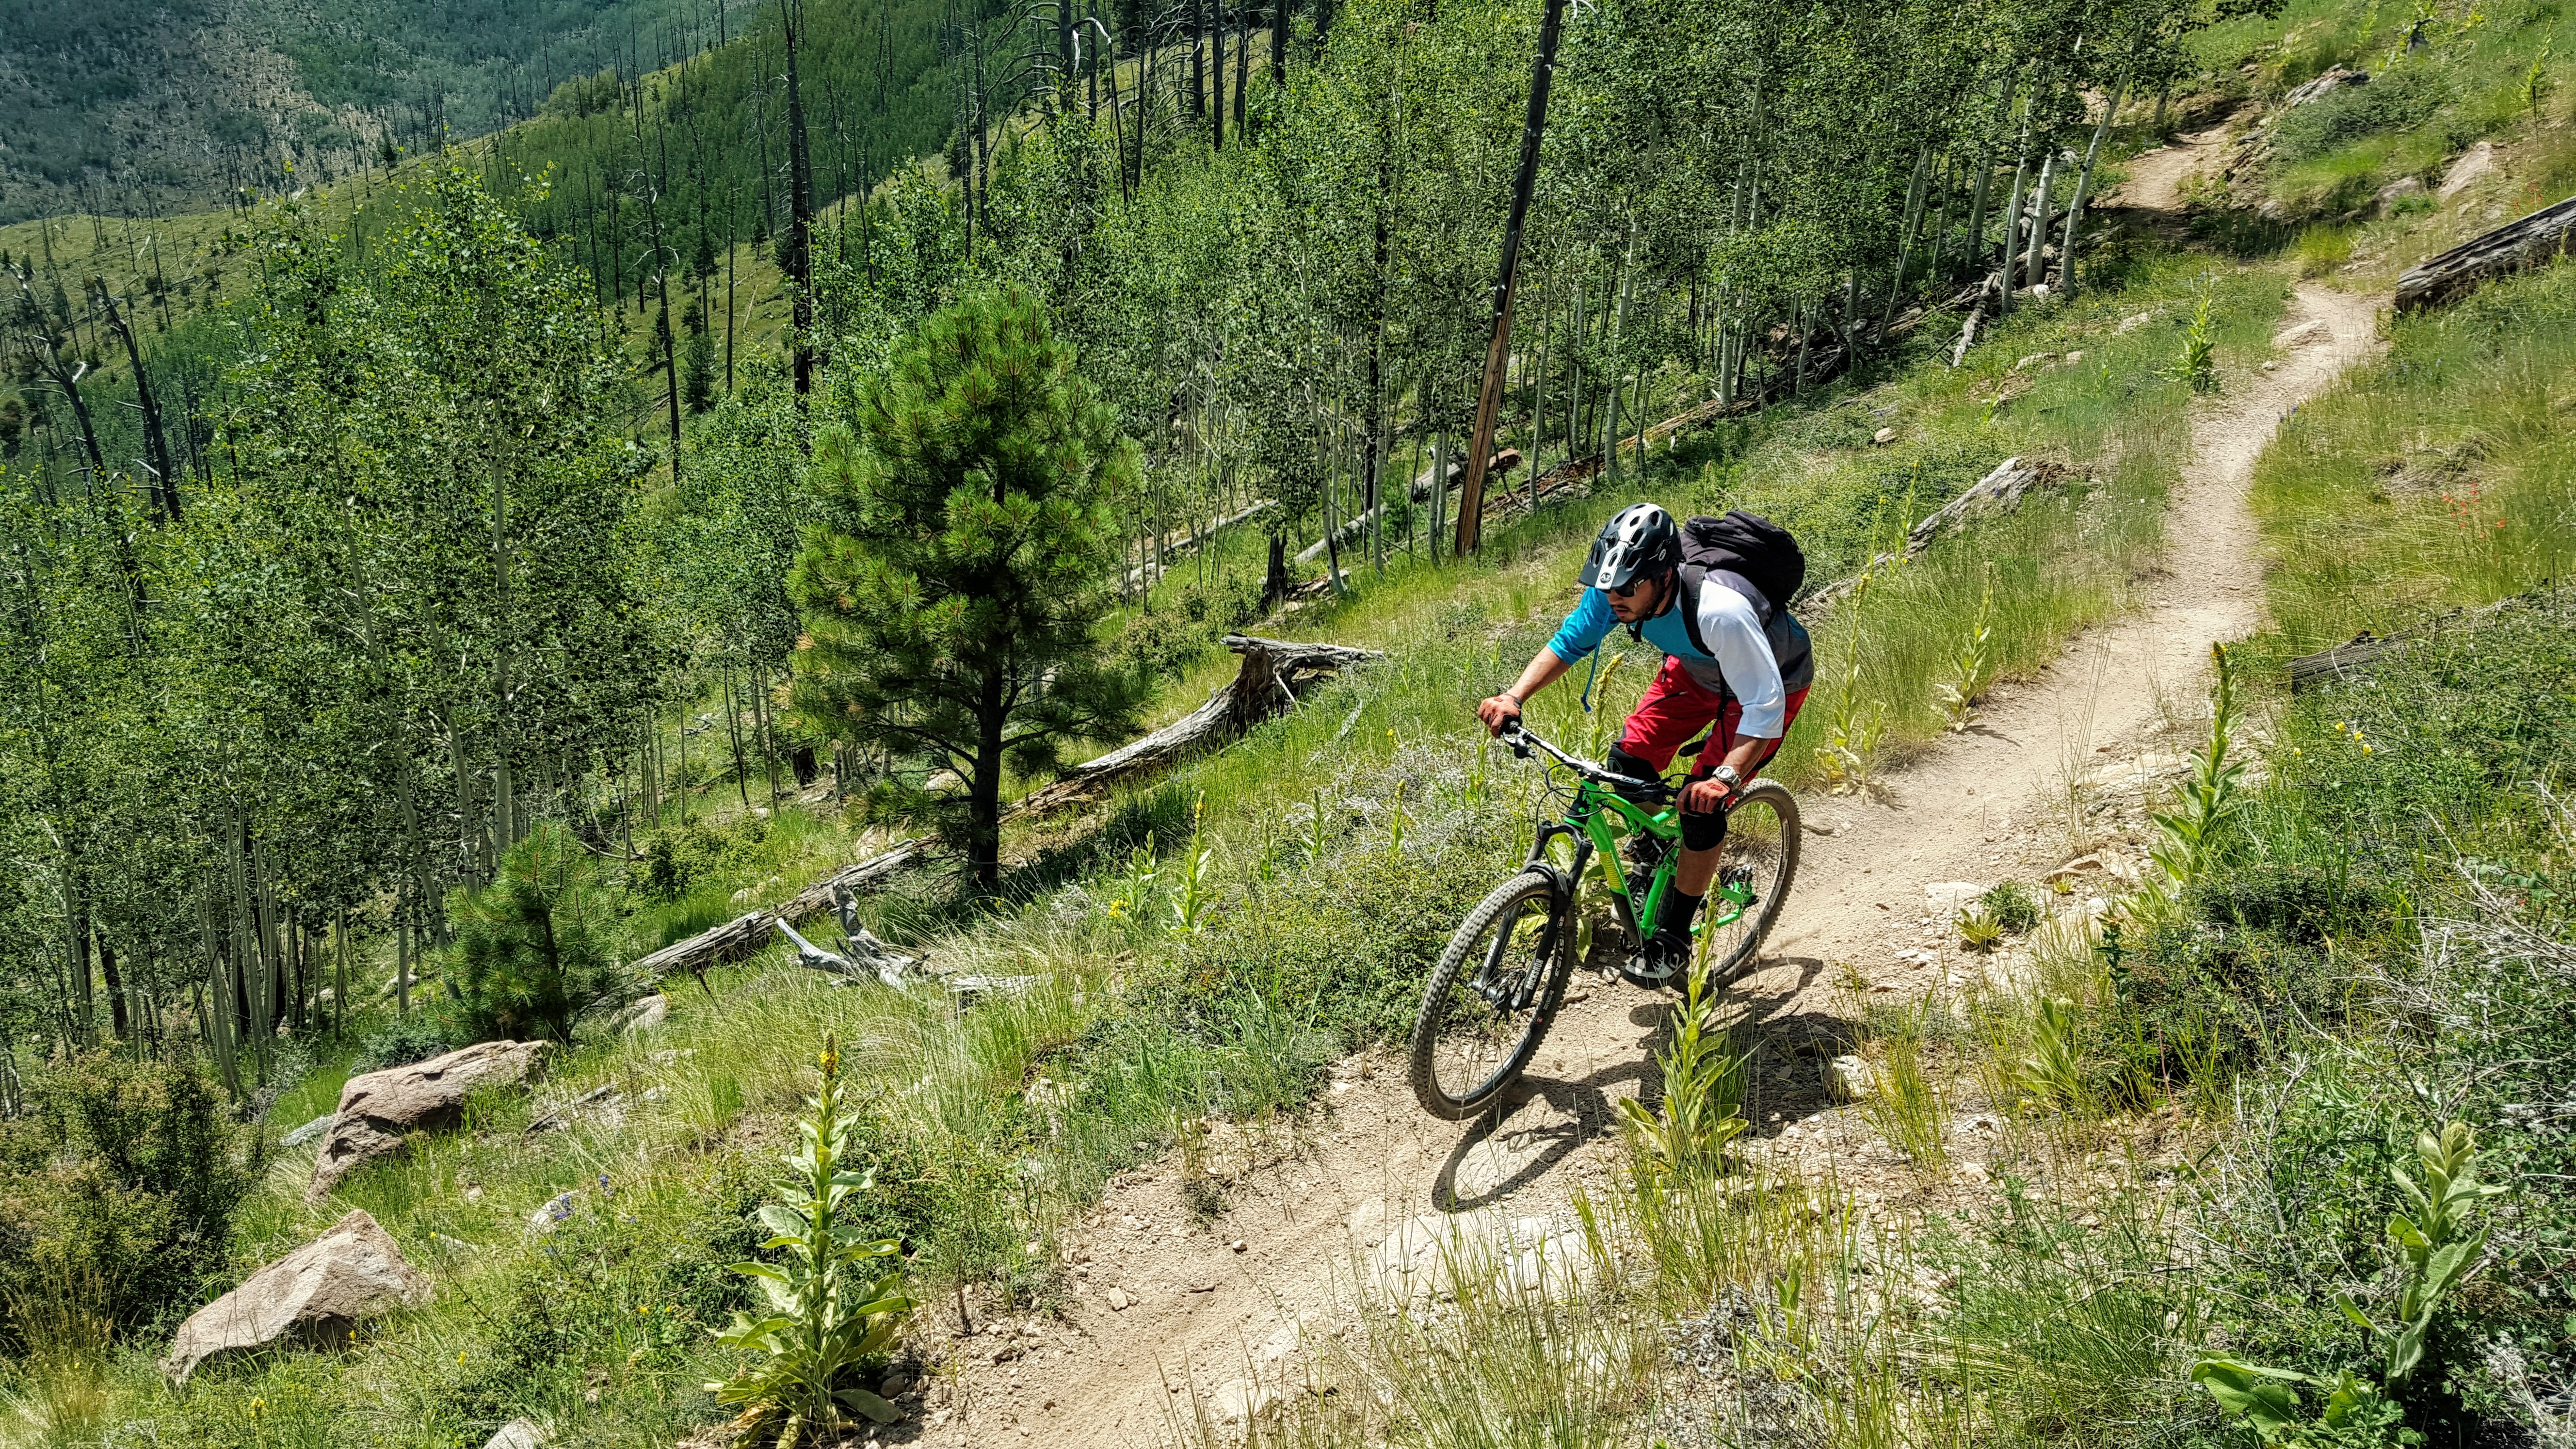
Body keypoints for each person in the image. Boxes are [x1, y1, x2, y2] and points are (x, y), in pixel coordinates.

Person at [1475, 504, 1813, 984]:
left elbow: (1764, 704)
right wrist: (1513, 696)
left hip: (1770, 683)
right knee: (1627, 763)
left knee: (1701, 808)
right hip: (1695, 672)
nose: (1614, 598)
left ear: (1663, 576)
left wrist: (1724, 779)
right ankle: (1660, 857)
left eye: (1627, 587)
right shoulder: (1613, 593)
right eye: (1607, 586)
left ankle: (1674, 937)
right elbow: (1568, 643)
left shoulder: (1720, 610)